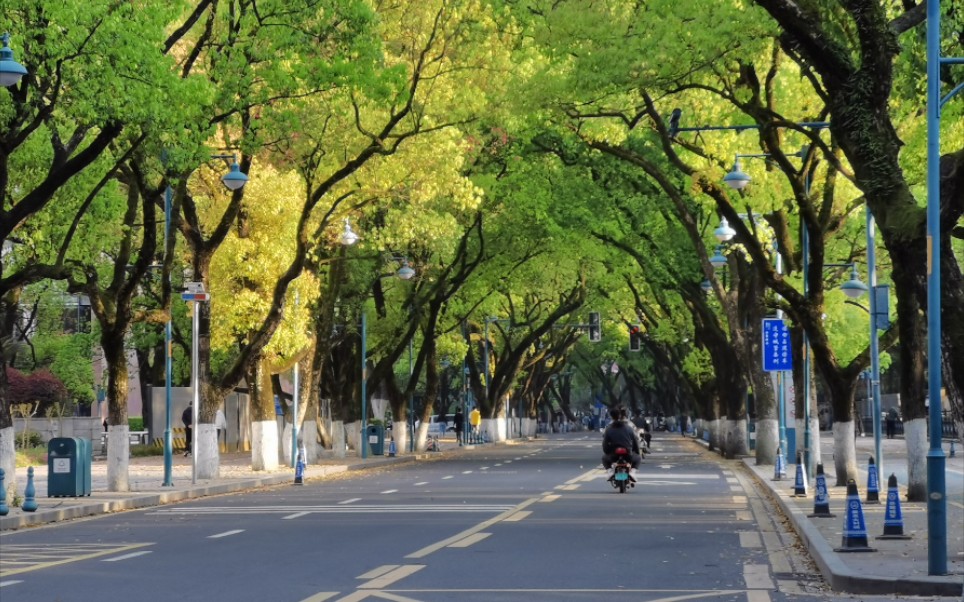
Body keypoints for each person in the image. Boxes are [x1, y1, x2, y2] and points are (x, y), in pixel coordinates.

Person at [601, 407, 642, 478]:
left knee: (604, 458)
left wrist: (607, 452)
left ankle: (610, 472)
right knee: (638, 458)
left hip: (613, 455)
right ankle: (632, 472)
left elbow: (605, 444)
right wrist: (637, 452)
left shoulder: (609, 429)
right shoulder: (629, 427)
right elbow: (635, 441)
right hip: (628, 454)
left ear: (611, 416)